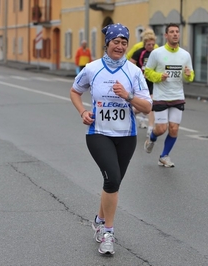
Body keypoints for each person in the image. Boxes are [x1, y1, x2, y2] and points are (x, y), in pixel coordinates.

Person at [70, 23, 152, 255]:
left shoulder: (134, 72)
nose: (120, 46)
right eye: (116, 42)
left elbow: (147, 106)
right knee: (113, 179)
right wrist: (82, 112)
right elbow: (75, 91)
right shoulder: (92, 68)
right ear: (107, 44)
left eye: (124, 43)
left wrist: (128, 96)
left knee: (112, 184)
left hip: (126, 136)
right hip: (98, 133)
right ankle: (108, 233)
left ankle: (98, 220)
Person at [143, 23, 195, 168]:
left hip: (177, 96)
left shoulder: (185, 55)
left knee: (174, 128)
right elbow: (147, 72)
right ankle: (151, 139)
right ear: (166, 35)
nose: (175, 34)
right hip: (161, 96)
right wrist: (159, 76)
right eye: (171, 32)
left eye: (177, 31)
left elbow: (190, 75)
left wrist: (189, 75)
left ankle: (164, 156)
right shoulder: (157, 53)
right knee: (161, 129)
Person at [129, 32, 156, 137]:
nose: (151, 47)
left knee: (151, 104)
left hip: (151, 81)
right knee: (142, 106)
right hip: (141, 82)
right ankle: (131, 112)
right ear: (144, 44)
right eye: (149, 44)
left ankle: (150, 128)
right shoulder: (139, 52)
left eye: (153, 44)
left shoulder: (155, 53)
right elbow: (130, 65)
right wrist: (138, 73)